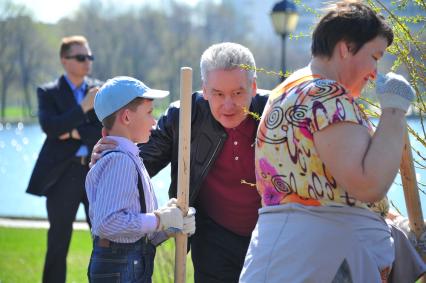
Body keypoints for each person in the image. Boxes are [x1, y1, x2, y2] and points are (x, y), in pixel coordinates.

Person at [239, 1, 421, 282]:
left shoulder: (287, 89)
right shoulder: (326, 95)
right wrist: (395, 111)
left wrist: (397, 225)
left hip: (283, 256)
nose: (375, 71)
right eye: (375, 56)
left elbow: (326, 187)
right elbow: (367, 184)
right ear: (346, 47)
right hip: (325, 262)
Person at [91, 42, 268, 283]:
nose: (228, 105)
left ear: (253, 87)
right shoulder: (184, 116)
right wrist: (113, 153)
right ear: (204, 89)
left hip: (269, 236)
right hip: (214, 239)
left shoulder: (276, 111)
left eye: (238, 93)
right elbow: (140, 162)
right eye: (217, 93)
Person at [86, 76, 196, 283]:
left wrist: (171, 226)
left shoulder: (130, 158)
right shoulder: (120, 161)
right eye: (149, 113)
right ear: (126, 117)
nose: (154, 123)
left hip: (129, 264)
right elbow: (108, 224)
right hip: (120, 267)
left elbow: (136, 231)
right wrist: (159, 219)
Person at [26, 35, 102, 283]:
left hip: (94, 174)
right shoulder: (48, 93)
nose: (86, 61)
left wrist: (72, 131)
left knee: (104, 240)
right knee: (58, 242)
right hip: (61, 177)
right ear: (64, 60)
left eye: (89, 56)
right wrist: (83, 108)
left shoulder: (100, 90)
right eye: (81, 57)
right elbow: (51, 127)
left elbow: (105, 131)